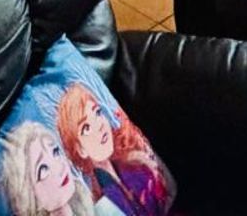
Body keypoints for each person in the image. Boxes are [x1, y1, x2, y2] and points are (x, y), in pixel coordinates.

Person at [55, 84, 172, 216]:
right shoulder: (99, 200)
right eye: (86, 128)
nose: (99, 125)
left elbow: (168, 193)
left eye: (97, 113)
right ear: (80, 149)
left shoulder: (135, 161)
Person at [0, 121, 96, 216]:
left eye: (55, 152)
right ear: (27, 194)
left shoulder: (89, 201)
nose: (60, 166)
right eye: (43, 169)